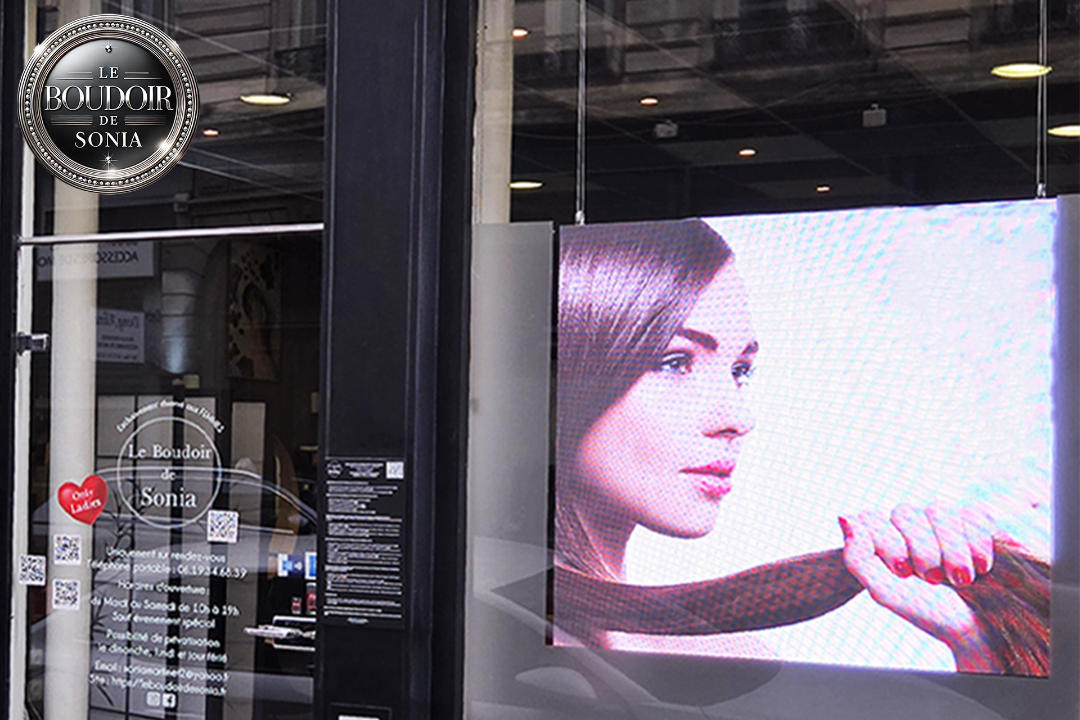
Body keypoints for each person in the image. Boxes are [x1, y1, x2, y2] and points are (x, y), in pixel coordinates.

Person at [553, 219, 1048, 675]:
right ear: (571, 368)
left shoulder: (726, 657)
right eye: (674, 362)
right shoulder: (510, 635)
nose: (738, 418)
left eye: (740, 371)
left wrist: (976, 645)